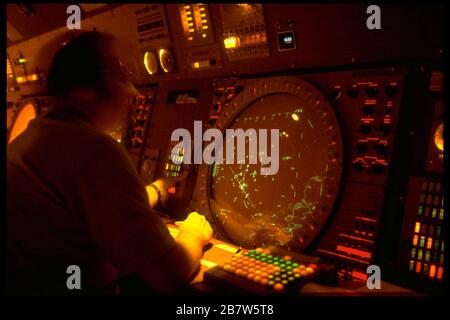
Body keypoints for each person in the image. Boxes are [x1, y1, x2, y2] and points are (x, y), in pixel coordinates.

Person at [7, 31, 213, 295]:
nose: (133, 92)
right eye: (120, 76)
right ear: (86, 90)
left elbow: (86, 209)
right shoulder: (93, 149)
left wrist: (156, 190)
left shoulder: (29, 140)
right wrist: (194, 233)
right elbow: (168, 273)